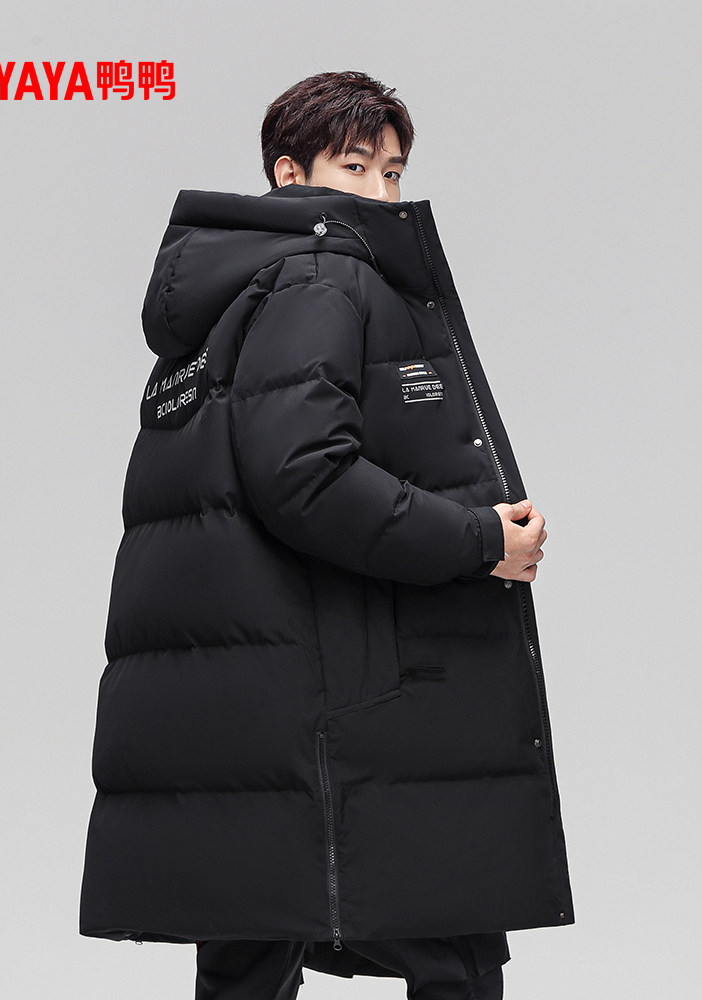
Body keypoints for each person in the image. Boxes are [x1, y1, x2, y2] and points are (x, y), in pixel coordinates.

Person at [79, 70, 575, 999]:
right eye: (355, 167)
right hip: (348, 699)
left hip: (260, 697)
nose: (381, 191)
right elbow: (304, 475)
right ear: (288, 173)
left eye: (393, 170)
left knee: (251, 949)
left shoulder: (236, 295)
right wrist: (480, 541)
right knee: (449, 951)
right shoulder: (324, 274)